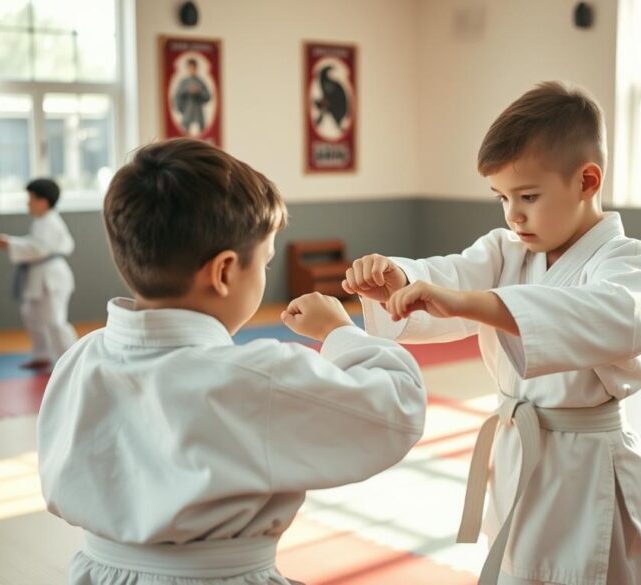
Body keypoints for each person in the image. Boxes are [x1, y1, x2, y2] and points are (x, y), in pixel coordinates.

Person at [36, 138, 427, 585]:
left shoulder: (81, 357)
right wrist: (339, 332)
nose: (264, 275)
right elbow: (398, 407)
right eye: (264, 263)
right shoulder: (256, 377)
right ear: (223, 272)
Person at [342, 81, 641, 585]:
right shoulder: (507, 248)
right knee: (518, 566)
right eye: (501, 198)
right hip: (520, 449)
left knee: (584, 572)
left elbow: (607, 315)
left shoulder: (629, 263)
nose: (513, 215)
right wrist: (401, 280)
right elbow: (451, 276)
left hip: (587, 468)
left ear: (587, 181)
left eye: (528, 196)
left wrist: (474, 303)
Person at [0, 178, 77, 370]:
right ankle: (42, 355)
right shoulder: (41, 221)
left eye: (31, 199)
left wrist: (11, 243)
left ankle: (72, 360)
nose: (28, 203)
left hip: (52, 277)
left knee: (55, 321)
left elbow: (39, 248)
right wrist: (13, 243)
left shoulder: (50, 221)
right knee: (31, 314)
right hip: (39, 275)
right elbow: (35, 244)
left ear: (43, 202)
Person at [175, 57, 211, 134]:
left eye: (193, 68)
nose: (192, 70)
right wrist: (187, 91)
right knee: (185, 134)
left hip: (198, 113)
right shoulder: (184, 82)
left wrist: (199, 91)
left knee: (201, 134)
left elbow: (207, 96)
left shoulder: (200, 82)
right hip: (187, 113)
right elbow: (178, 97)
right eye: (190, 68)